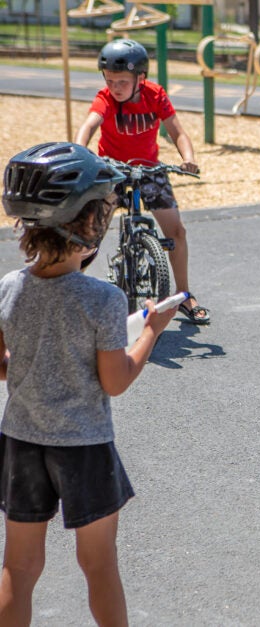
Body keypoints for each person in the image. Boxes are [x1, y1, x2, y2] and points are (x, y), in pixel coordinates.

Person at [0, 142, 177, 624]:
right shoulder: (102, 298)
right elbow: (115, 381)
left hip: (21, 441)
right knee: (98, 565)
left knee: (18, 565)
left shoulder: (9, 287)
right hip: (83, 445)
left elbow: (4, 365)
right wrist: (151, 333)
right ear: (88, 222)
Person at [75, 38, 211, 324]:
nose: (115, 87)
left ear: (141, 78)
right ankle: (69, 291)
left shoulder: (155, 95)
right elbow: (89, 125)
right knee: (88, 234)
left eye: (122, 81)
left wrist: (188, 157)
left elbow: (178, 132)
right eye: (110, 79)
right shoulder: (105, 99)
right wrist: (80, 152)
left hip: (149, 171)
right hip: (111, 170)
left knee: (177, 232)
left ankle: (184, 295)